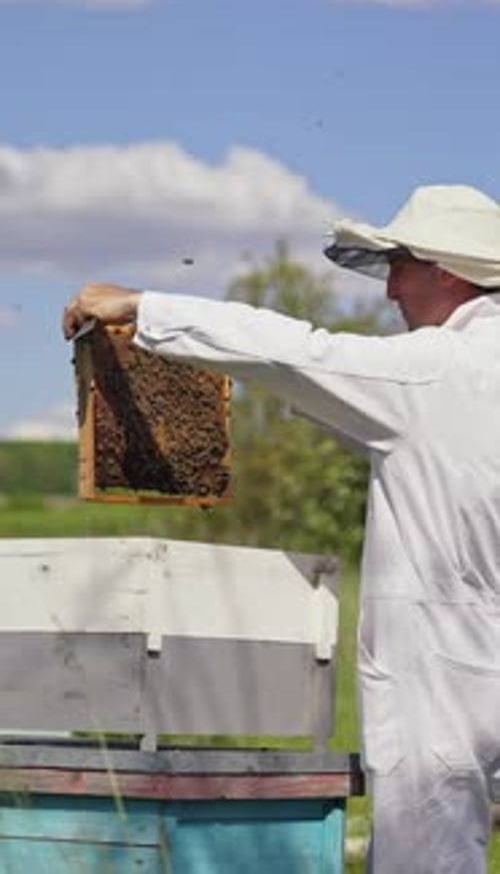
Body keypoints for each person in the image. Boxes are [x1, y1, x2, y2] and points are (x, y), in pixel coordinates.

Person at [63, 184, 500, 874]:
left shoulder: (433, 373)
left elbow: (299, 353)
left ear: (446, 270)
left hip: (446, 681)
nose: (389, 293)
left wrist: (148, 310)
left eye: (400, 269)